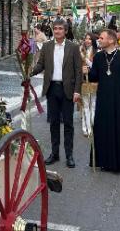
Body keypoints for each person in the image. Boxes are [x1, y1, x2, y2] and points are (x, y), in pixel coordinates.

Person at [31, 18, 82, 168]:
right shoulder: (47, 47)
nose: (58, 31)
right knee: (53, 123)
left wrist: (77, 91)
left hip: (68, 89)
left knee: (68, 124)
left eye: (60, 28)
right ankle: (54, 153)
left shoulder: (73, 47)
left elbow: (78, 71)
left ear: (65, 31)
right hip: (52, 88)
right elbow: (40, 64)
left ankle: (69, 155)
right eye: (55, 28)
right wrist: (29, 71)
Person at [87, 29, 120, 173]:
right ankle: (104, 161)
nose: (99, 40)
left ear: (111, 40)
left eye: (102, 38)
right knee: (104, 130)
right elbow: (94, 77)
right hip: (104, 101)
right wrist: (87, 72)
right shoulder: (98, 57)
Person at [80, 33, 98, 137]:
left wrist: (85, 59)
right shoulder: (80, 51)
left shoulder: (97, 52)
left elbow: (95, 67)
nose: (87, 41)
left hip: (94, 81)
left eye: (90, 39)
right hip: (83, 81)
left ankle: (91, 125)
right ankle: (86, 128)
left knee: (93, 105)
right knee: (85, 105)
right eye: (86, 39)